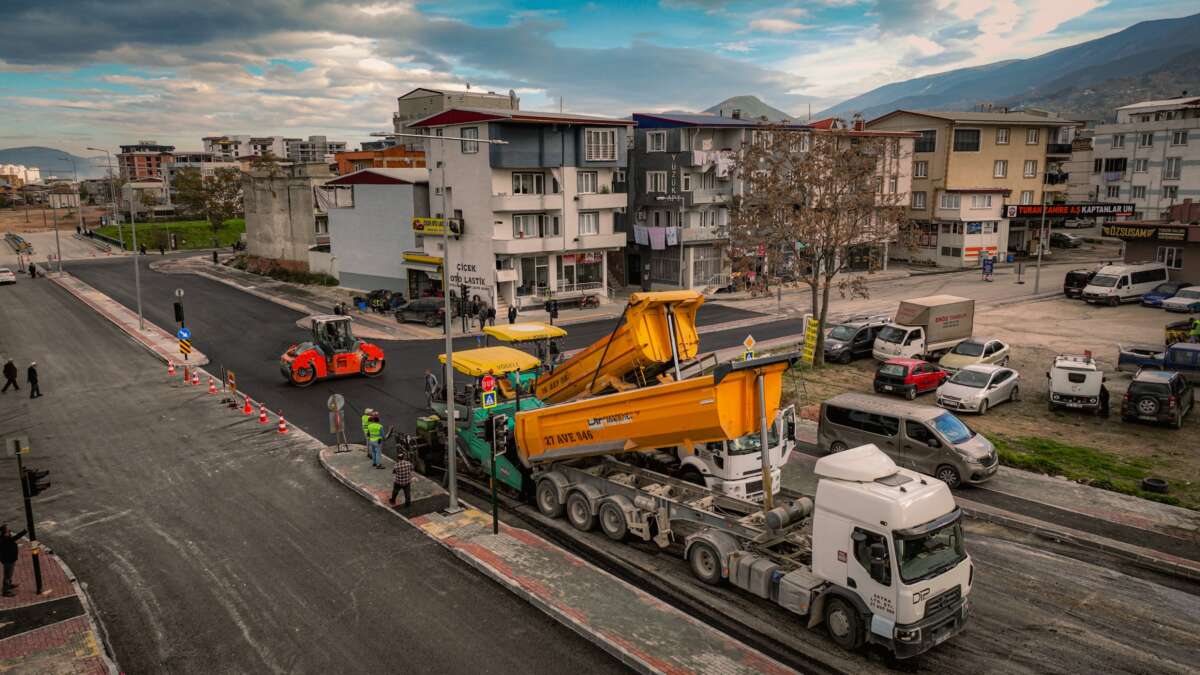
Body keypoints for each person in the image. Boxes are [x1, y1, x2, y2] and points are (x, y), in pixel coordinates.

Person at [1, 524, 27, 597]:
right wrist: (25, 531)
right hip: (8, 560)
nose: (10, 530)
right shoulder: (5, 539)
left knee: (9, 574)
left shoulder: (6, 537)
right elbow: (16, 537)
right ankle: (5, 591)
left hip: (10, 559)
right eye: (8, 529)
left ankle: (9, 585)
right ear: (5, 531)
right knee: (7, 575)